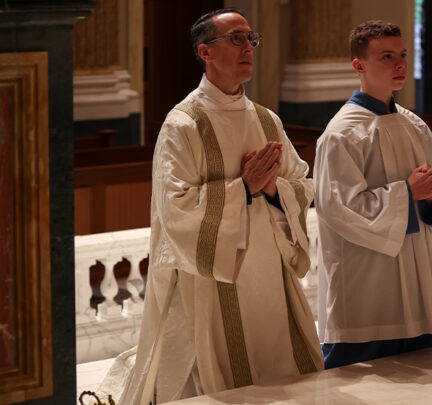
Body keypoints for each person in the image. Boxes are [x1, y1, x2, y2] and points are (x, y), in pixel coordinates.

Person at [114, 8, 323, 404]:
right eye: (236, 39)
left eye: (250, 39)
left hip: (269, 271)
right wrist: (243, 187)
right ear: (205, 52)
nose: (248, 47)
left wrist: (274, 189)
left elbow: (301, 183)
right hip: (212, 279)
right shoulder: (183, 124)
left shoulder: (265, 119)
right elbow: (174, 206)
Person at [313, 20, 432, 370]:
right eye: (387, 56)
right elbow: (339, 209)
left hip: (419, 278)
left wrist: (430, 196)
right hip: (367, 283)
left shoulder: (414, 125)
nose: (400, 65)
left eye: (403, 55)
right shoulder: (341, 133)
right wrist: (407, 193)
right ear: (359, 66)